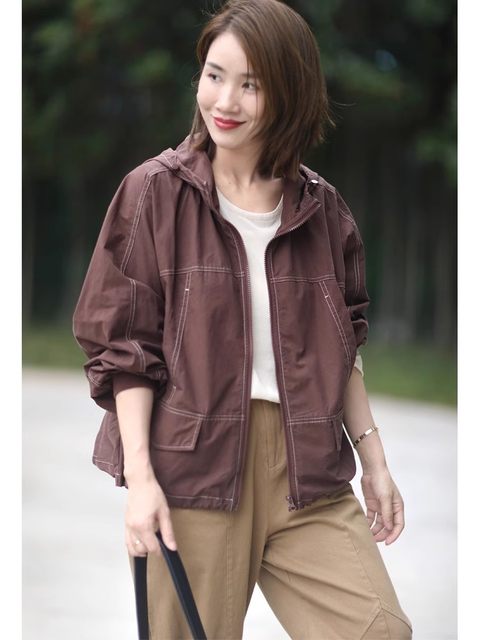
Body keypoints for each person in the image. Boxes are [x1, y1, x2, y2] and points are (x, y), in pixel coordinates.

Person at [72, 1, 413, 637]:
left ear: (290, 93)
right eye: (214, 75)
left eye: (250, 84)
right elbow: (126, 351)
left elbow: (342, 347)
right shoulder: (154, 193)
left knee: (379, 629)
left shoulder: (322, 211)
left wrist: (375, 461)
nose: (224, 100)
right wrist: (141, 480)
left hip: (308, 472)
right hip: (193, 473)